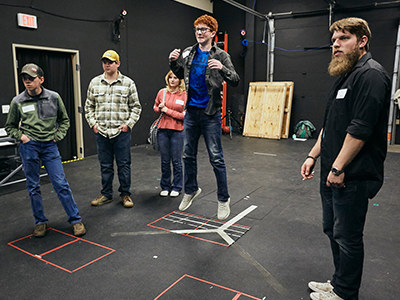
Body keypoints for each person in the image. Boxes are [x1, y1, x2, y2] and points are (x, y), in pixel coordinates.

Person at [301, 18, 391, 300]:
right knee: (332, 229)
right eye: (334, 41)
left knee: (348, 237)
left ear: (362, 41)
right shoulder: (346, 75)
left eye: (343, 39)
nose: (336, 45)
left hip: (352, 175)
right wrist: (313, 155)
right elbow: (331, 124)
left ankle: (345, 293)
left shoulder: (371, 75)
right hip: (332, 171)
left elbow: (360, 129)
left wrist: (339, 166)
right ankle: (339, 282)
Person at [169, 14, 240, 220]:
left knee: (216, 157)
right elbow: (179, 74)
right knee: (187, 155)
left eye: (203, 29)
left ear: (212, 33)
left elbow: (235, 79)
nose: (199, 33)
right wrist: (172, 61)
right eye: (197, 29)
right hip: (191, 112)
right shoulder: (189, 52)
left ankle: (223, 199)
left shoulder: (221, 55)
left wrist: (222, 68)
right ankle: (190, 190)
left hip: (210, 113)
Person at [5, 63, 86, 237]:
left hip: (49, 145)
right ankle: (40, 221)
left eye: (31, 79)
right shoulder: (17, 101)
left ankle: (75, 219)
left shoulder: (54, 97)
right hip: (29, 147)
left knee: (60, 183)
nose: (27, 82)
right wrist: (23, 137)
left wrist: (58, 135)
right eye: (24, 79)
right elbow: (10, 127)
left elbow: (65, 120)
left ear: (41, 80)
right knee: (33, 185)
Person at [85, 50, 141, 208]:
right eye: (104, 61)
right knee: (105, 165)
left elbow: (136, 107)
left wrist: (128, 125)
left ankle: (125, 194)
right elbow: (88, 106)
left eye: (110, 62)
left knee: (124, 165)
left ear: (118, 64)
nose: (107, 64)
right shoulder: (95, 83)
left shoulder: (128, 83)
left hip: (120, 132)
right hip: (102, 132)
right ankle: (106, 194)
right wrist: (93, 124)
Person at [153, 71, 187, 197]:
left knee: (177, 161)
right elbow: (155, 108)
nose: (172, 80)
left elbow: (184, 116)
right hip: (163, 130)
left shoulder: (184, 95)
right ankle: (165, 186)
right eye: (170, 78)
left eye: (175, 78)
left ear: (180, 80)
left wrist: (167, 110)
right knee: (165, 161)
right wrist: (159, 108)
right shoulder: (162, 92)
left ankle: (177, 187)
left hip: (178, 131)